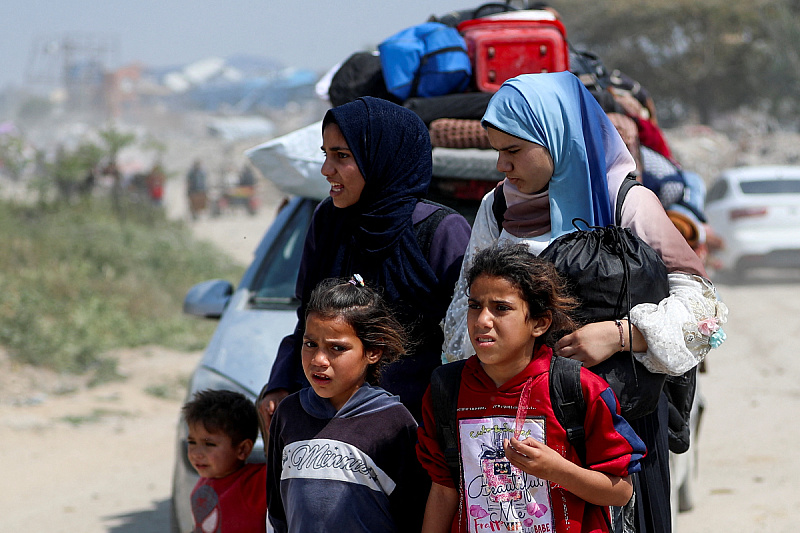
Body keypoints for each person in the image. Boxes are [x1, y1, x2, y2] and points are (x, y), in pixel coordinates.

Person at [442, 72, 727, 533]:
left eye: (513, 151)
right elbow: (465, 307)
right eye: (497, 150)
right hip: (525, 431)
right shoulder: (497, 209)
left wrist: (620, 335)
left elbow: (704, 312)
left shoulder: (626, 202)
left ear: (556, 137)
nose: (501, 165)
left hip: (616, 429)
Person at [258, 96, 471, 428]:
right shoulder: (328, 221)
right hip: (327, 420)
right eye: (325, 155)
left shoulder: (441, 230)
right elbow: (307, 320)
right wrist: (278, 384)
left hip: (412, 426)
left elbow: (465, 339)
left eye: (342, 156)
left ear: (382, 159)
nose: (326, 170)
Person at [418, 243, 647, 532]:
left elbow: (620, 491)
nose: (482, 320)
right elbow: (443, 489)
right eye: (475, 305)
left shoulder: (578, 388)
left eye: (501, 308)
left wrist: (556, 470)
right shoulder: (447, 388)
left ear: (539, 323)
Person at [267, 276, 422, 532]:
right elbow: (276, 511)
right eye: (310, 344)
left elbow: (413, 513)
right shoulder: (288, 413)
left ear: (373, 351)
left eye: (336, 348)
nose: (318, 359)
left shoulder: (392, 422)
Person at [182, 389, 266, 533]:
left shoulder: (253, 485)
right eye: (192, 442)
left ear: (242, 449)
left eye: (209, 444)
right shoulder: (205, 481)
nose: (196, 453)